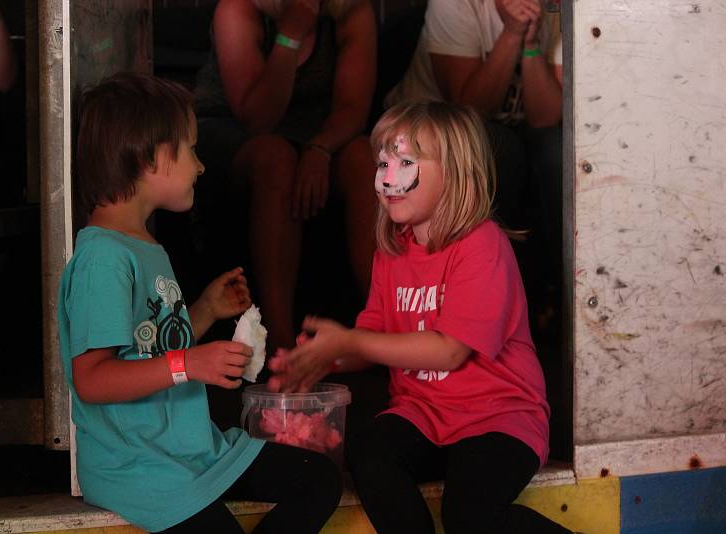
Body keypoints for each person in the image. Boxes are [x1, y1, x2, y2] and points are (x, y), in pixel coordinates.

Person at [268, 101, 573, 533]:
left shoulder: (481, 245)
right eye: (383, 163)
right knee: (370, 452)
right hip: (422, 414)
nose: (387, 178)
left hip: (499, 418)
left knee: (470, 515)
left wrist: (350, 342)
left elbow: (449, 351)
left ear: (457, 173)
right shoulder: (392, 249)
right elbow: (374, 335)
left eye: (406, 163)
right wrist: (324, 357)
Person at [57, 72, 341, 534]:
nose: (201, 165)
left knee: (319, 480)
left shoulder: (143, 245)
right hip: (139, 469)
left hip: (191, 450)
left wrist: (205, 310)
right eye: (190, 149)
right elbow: (92, 379)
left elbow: (147, 346)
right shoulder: (103, 260)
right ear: (152, 158)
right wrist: (188, 363)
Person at [190, 0, 379, 354]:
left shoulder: (351, 10)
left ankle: (387, 329)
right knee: (277, 159)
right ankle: (280, 343)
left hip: (320, 135)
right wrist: (290, 35)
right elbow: (258, 117)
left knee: (362, 157)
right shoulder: (238, 9)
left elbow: (353, 108)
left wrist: (319, 149)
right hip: (236, 133)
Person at [386, 0, 563, 334]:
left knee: (557, 151)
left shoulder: (556, 9)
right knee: (495, 146)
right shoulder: (458, 4)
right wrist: (511, 33)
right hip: (434, 133)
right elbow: (468, 111)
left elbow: (546, 118)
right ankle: (476, 307)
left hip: (520, 133)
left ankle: (561, 307)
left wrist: (530, 47)